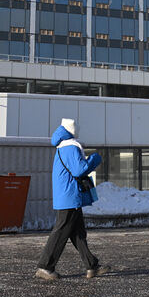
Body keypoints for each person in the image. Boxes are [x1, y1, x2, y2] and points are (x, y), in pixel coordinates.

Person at [35, 118, 109, 281]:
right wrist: (95, 159)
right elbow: (79, 170)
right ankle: (45, 266)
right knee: (62, 230)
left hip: (67, 195)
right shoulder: (70, 145)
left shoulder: (63, 145)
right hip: (70, 196)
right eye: (76, 127)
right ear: (71, 129)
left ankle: (92, 266)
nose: (78, 129)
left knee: (78, 233)